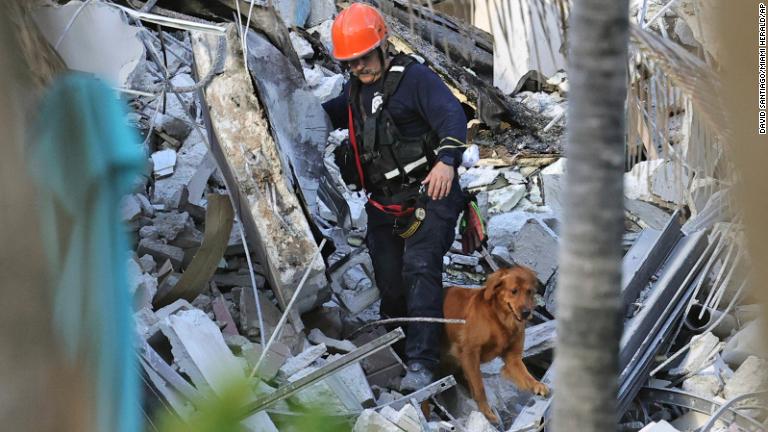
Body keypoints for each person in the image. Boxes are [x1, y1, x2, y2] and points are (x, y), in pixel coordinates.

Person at [322, 2, 469, 392]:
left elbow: (452, 115)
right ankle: (398, 349)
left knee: (420, 267)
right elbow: (328, 114)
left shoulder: (416, 79)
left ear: (382, 46)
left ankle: (422, 363)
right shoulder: (355, 91)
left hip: (429, 193)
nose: (359, 68)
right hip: (385, 202)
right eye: (350, 63)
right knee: (390, 279)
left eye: (364, 59)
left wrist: (447, 161)